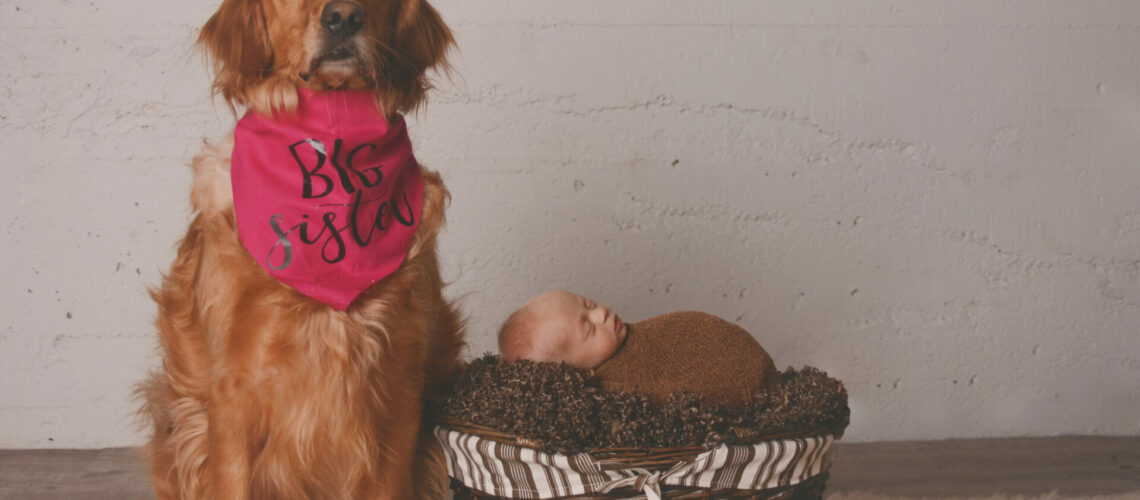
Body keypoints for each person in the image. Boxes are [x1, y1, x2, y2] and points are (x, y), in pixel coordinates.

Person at [498, 290, 780, 406]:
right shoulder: (611, 386)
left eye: (589, 304)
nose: (602, 314)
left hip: (742, 365)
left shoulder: (647, 341)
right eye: (589, 328)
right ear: (571, 373)